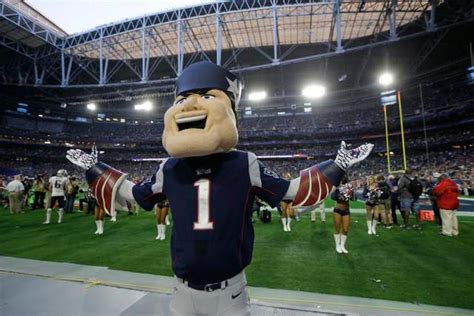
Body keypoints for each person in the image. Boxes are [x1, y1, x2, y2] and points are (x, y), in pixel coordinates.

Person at [67, 61, 373, 315]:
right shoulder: (169, 167)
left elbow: (292, 191)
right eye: (182, 98)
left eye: (206, 96)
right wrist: (95, 168)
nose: (190, 105)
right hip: (182, 289)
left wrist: (339, 165)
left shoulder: (245, 163)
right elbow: (134, 195)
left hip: (230, 292)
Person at [331, 177, 354, 254]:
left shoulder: (349, 187)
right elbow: (333, 197)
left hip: (346, 210)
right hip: (337, 210)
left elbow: (354, 198)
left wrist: (350, 193)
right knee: (337, 228)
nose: (341, 181)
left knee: (345, 229)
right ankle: (337, 245)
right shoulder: (337, 187)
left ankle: (342, 245)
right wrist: (339, 191)